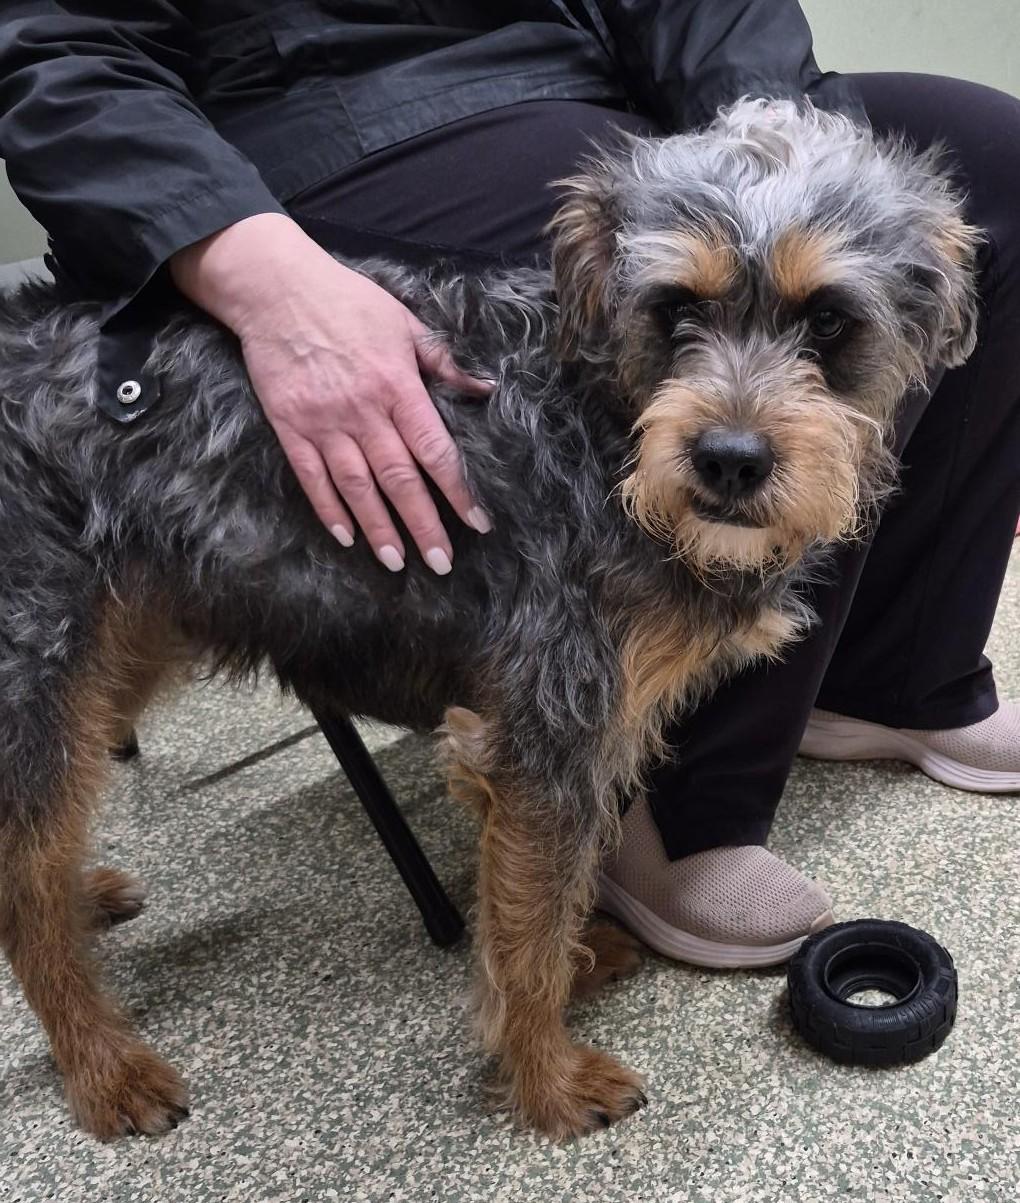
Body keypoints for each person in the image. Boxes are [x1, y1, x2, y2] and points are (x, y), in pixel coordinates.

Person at [1, 2, 1017, 967]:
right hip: (301, 128)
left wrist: (778, 136)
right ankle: (671, 800)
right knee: (586, 281)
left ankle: (886, 667)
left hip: (592, 73)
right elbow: (54, 44)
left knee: (994, 158)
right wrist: (256, 270)